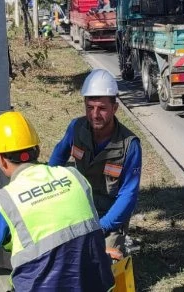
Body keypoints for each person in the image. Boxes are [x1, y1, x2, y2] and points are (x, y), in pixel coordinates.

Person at [0, 111, 114, 292]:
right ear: (36, 150)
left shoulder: (4, 201)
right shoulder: (74, 176)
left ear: (0, 159)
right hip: (96, 286)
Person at [48, 68, 142, 254]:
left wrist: (102, 227)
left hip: (108, 218)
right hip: (77, 210)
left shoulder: (130, 146)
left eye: (102, 108)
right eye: (90, 108)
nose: (95, 114)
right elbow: (56, 162)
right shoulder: (76, 128)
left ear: (114, 108)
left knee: (103, 263)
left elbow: (128, 196)